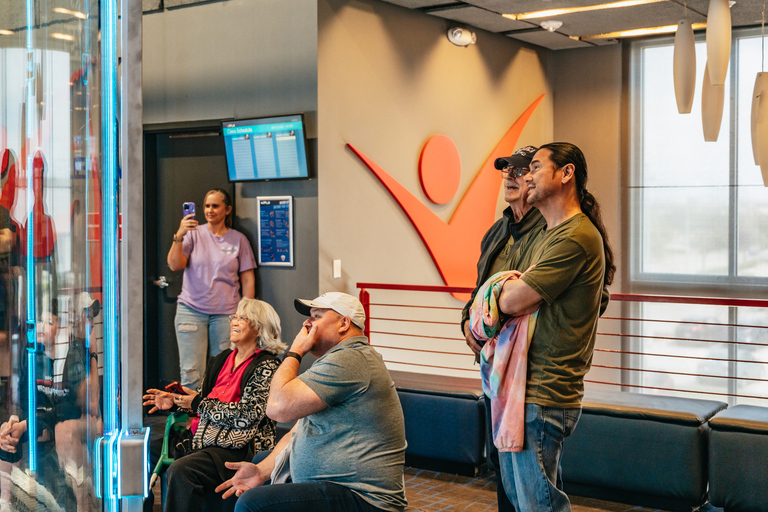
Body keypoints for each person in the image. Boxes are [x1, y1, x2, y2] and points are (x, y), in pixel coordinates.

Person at [486, 142, 615, 512]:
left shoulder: (575, 236)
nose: (526, 176)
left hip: (542, 389)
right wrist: (500, 289)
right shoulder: (550, 233)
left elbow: (509, 300)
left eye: (535, 167)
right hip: (518, 387)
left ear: (566, 173)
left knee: (538, 505)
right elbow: (501, 291)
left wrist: (498, 289)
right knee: (523, 500)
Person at [215, 292, 407, 512]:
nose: (307, 323)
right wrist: (262, 472)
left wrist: (296, 352)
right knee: (261, 462)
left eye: (316, 316)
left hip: (364, 498)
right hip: (336, 487)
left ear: (344, 323)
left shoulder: (351, 359)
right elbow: (299, 430)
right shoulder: (336, 359)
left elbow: (277, 409)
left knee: (253, 504)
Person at [460, 144, 544, 512]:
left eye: (521, 169)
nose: (510, 175)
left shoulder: (554, 230)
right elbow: (479, 287)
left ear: (538, 178)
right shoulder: (496, 231)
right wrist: (466, 321)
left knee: (534, 478)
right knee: (503, 466)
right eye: (506, 169)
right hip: (495, 370)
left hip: (535, 370)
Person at [143, 298, 284, 512]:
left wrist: (198, 402)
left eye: (242, 318)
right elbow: (202, 402)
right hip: (202, 439)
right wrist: (175, 403)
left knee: (182, 470)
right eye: (234, 317)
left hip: (238, 448)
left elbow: (248, 416)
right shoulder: (221, 359)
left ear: (259, 328)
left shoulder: (267, 365)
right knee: (143, 451)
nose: (234, 322)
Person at [167, 188, 257, 389]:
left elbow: (248, 279)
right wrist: (179, 235)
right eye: (207, 206)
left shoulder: (238, 240)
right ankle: (192, 419)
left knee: (224, 370)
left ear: (227, 209)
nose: (210, 210)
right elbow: (175, 265)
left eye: (215, 206)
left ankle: (217, 418)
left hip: (226, 315)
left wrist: (245, 314)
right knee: (191, 371)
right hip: (191, 311)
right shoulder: (193, 234)